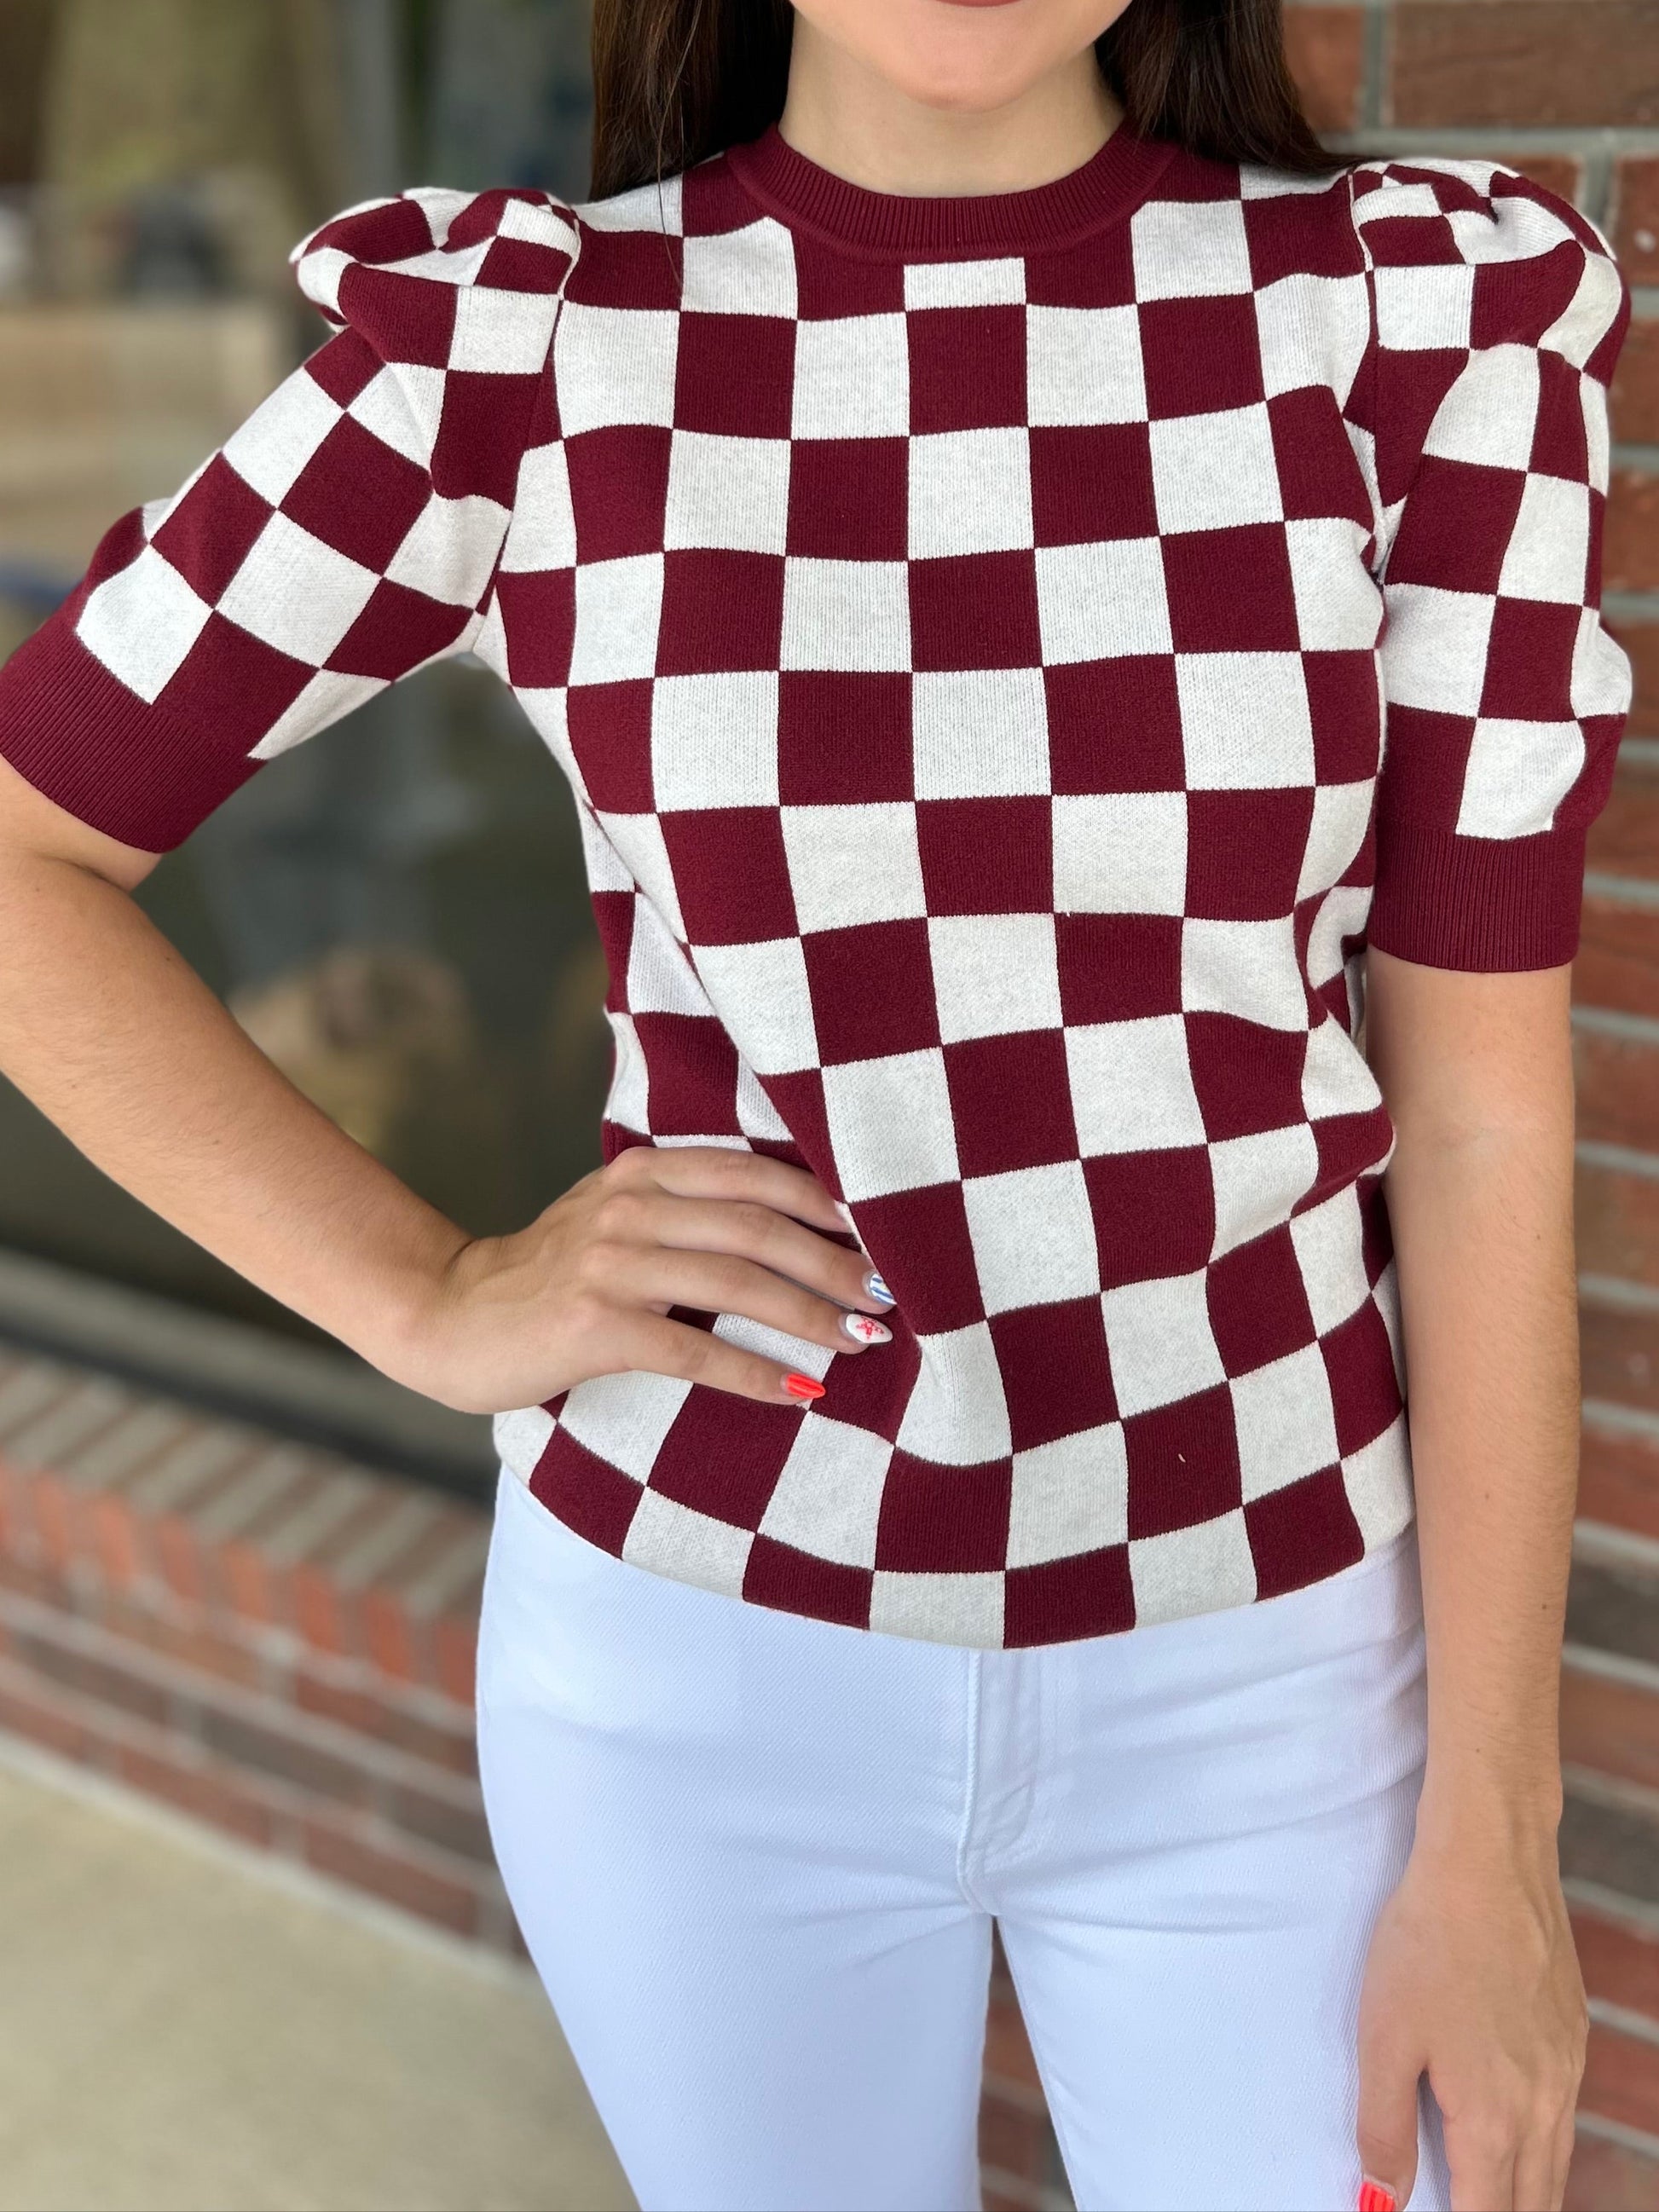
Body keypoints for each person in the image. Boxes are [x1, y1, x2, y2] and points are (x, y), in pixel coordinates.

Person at [0, 0, 1631, 2204]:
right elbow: (26, 847)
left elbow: (1484, 1117)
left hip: (1275, 1671)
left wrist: (1498, 1833)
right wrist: (426, 1292)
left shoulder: (1410, 328)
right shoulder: (531, 346)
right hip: (702, 1669)